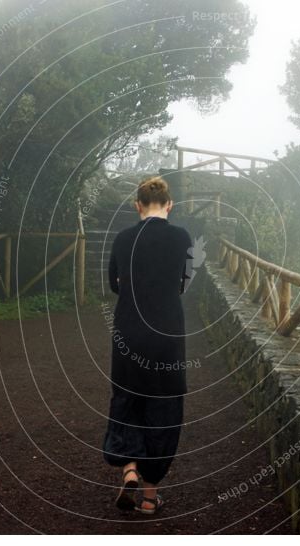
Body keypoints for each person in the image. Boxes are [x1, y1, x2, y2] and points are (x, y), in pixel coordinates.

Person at [102, 176, 194, 515]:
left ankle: (128, 469)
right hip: (167, 336)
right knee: (163, 409)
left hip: (128, 330)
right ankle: (150, 497)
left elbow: (113, 284)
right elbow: (184, 283)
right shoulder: (182, 237)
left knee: (127, 399)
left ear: (137, 205)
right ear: (169, 205)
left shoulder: (124, 238)